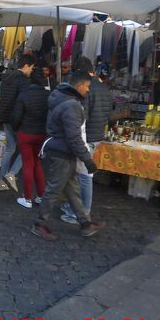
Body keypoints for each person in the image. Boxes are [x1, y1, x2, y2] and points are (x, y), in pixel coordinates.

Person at [31, 71, 106, 240]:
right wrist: (87, 159)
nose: (88, 90)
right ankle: (39, 224)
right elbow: (74, 137)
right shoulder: (71, 105)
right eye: (87, 86)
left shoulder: (63, 99)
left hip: (61, 151)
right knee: (54, 191)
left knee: (72, 190)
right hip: (62, 154)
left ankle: (85, 223)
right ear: (79, 86)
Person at [60, 57, 113, 224]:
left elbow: (83, 116)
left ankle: (82, 212)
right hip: (97, 135)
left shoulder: (86, 88)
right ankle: (74, 207)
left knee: (84, 176)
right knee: (82, 174)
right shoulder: (104, 87)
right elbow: (108, 114)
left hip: (87, 137)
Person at [0, 54, 36, 192]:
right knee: (27, 149)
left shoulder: (7, 76)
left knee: (10, 149)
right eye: (31, 67)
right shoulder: (23, 80)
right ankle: (10, 175)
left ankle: (2, 181)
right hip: (17, 119)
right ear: (26, 66)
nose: (31, 70)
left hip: (5, 116)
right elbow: (25, 101)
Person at [11, 68, 49, 209]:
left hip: (25, 133)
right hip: (41, 134)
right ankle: (40, 196)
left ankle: (27, 198)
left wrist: (16, 128)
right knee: (37, 164)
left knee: (28, 165)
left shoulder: (24, 95)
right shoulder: (48, 95)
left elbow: (16, 116)